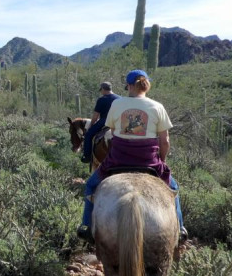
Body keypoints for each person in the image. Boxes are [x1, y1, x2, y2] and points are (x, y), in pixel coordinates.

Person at [76, 69, 187, 245]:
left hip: (118, 160)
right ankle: (180, 228)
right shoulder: (157, 107)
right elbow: (165, 141)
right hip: (149, 162)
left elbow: (112, 133)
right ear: (146, 85)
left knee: (90, 185)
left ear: (128, 86)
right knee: (174, 188)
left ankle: (86, 226)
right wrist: (161, 161)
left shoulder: (117, 105)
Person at [81, 81, 120, 163]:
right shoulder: (120, 98)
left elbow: (95, 116)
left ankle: (87, 156)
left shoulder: (102, 99)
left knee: (88, 135)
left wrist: (91, 125)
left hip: (105, 121)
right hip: (118, 121)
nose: (101, 92)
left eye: (101, 90)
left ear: (103, 89)